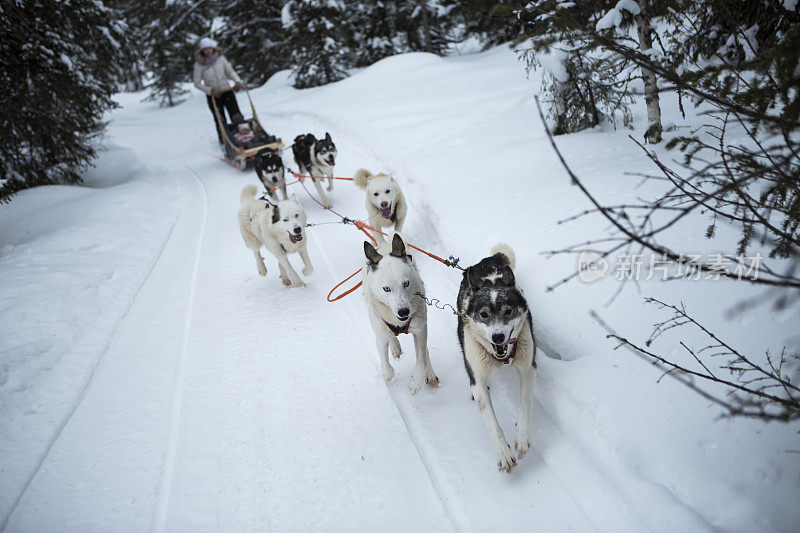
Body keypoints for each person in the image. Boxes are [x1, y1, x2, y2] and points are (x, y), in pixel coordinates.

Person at [193, 37, 247, 144]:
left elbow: (230, 72)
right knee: (220, 120)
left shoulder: (221, 59)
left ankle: (245, 138)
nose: (208, 51)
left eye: (209, 48)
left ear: (213, 49)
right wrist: (210, 90)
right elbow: (197, 83)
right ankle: (225, 143)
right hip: (213, 96)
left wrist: (237, 81)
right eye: (205, 49)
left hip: (227, 91)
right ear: (202, 51)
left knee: (236, 116)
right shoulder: (199, 65)